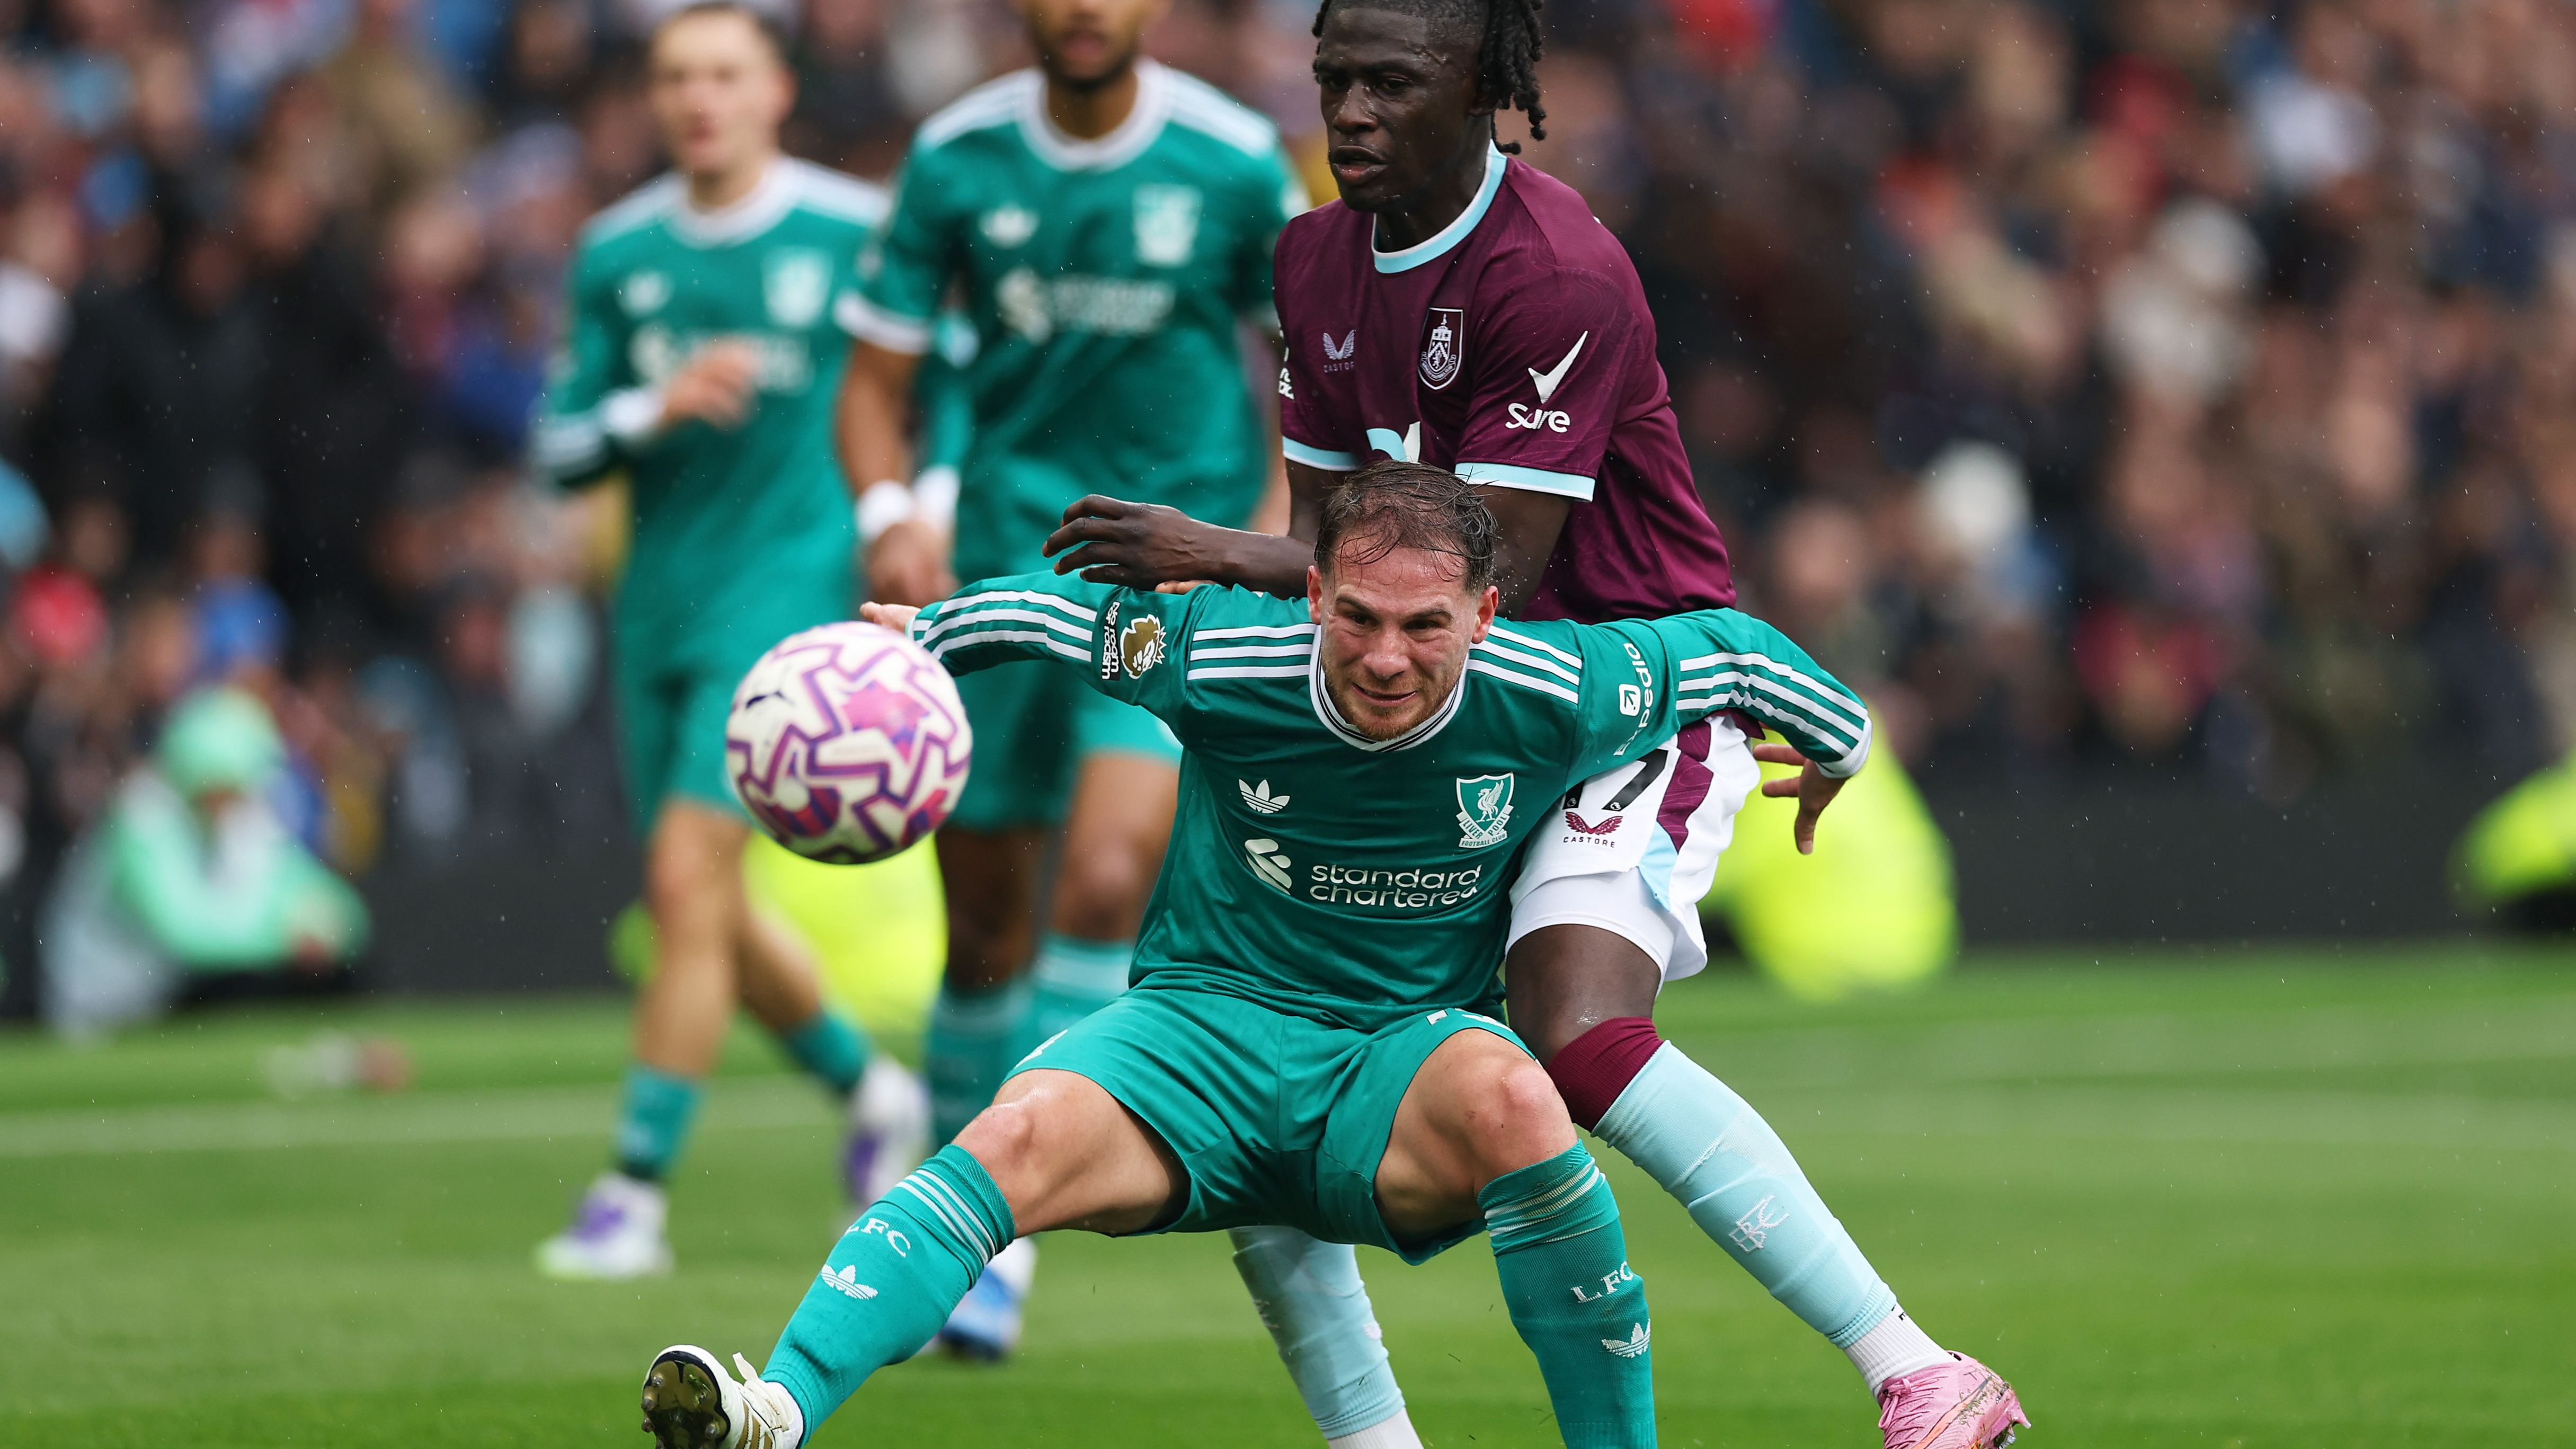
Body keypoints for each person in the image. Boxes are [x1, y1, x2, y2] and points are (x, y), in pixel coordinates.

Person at [1038, 1, 2031, 1444]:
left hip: (1622, 690)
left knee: (1573, 1028)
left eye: (1391, 82)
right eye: (1335, 81)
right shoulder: (1311, 256)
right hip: (1426, 694)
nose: (1354, 112)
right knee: (1251, 1019)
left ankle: (1915, 1363)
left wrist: (1211, 554)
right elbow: (1326, 528)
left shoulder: (1556, 270)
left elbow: (1488, 566)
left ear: (1484, 90)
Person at [633, 463, 1873, 1449]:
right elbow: (1059, 617)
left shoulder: (1563, 682)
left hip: (1396, 1054)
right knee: (1007, 1135)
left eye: (1424, 626)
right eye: (1357, 616)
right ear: (1313, 592)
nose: (1386, 655)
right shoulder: (1222, 653)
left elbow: (1741, 651)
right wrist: (924, 643)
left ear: (1485, 613)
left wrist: (1837, 746)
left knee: (1517, 1096)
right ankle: (775, 1409)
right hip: (1197, 1034)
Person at [830, 0, 1310, 1359]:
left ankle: (997, 1231)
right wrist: (887, 516)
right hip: (993, 577)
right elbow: (873, 381)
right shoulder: (956, 158)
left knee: (1105, 875)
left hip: (1170, 584)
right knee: (981, 925)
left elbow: (1306, 380)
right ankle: (945, 1177)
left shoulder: (1227, 161)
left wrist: (1263, 547)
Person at [526, 0, 925, 1281]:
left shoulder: (850, 231)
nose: (698, 97)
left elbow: (940, 376)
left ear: (772, 94)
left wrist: (917, 506)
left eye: (723, 74)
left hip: (786, 602)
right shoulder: (617, 250)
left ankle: (630, 1191)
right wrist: (654, 403)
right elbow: (558, 443)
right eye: (675, 76)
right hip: (655, 607)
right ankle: (876, 1097)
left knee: (690, 876)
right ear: (656, 99)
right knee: (697, 899)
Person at [42, 686, 370, 1037]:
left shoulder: (237, 814)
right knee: (248, 985)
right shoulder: (140, 816)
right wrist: (286, 935)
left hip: (176, 992)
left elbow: (331, 904)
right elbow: (184, 932)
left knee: (332, 977)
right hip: (108, 1008)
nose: (233, 800)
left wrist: (318, 928)